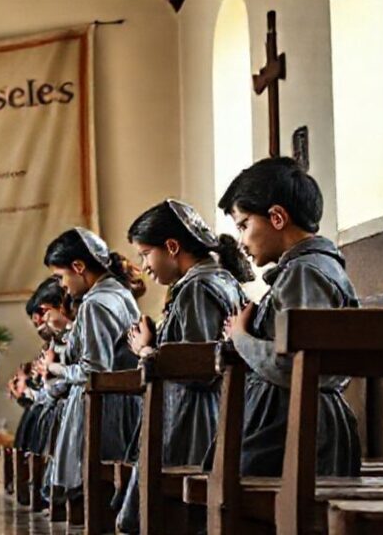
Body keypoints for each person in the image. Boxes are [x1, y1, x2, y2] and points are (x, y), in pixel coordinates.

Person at [115, 199, 252, 533]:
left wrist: (146, 349)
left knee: (174, 515)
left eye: (146, 253)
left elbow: (198, 367)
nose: (144, 265)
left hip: (193, 419)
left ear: (172, 247)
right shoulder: (222, 280)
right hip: (217, 410)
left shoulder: (197, 288)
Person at [219, 157, 360, 477]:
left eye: (243, 225)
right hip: (288, 424)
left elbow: (295, 364)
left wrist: (241, 337)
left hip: (299, 433)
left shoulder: (306, 273)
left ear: (277, 217)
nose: (240, 241)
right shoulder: (302, 271)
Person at [43, 228, 145, 514]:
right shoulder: (119, 293)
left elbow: (94, 371)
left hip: (101, 408)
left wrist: (56, 368)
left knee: (93, 494)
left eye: (61, 277)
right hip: (126, 401)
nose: (62, 286)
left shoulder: (94, 304)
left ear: (78, 267)